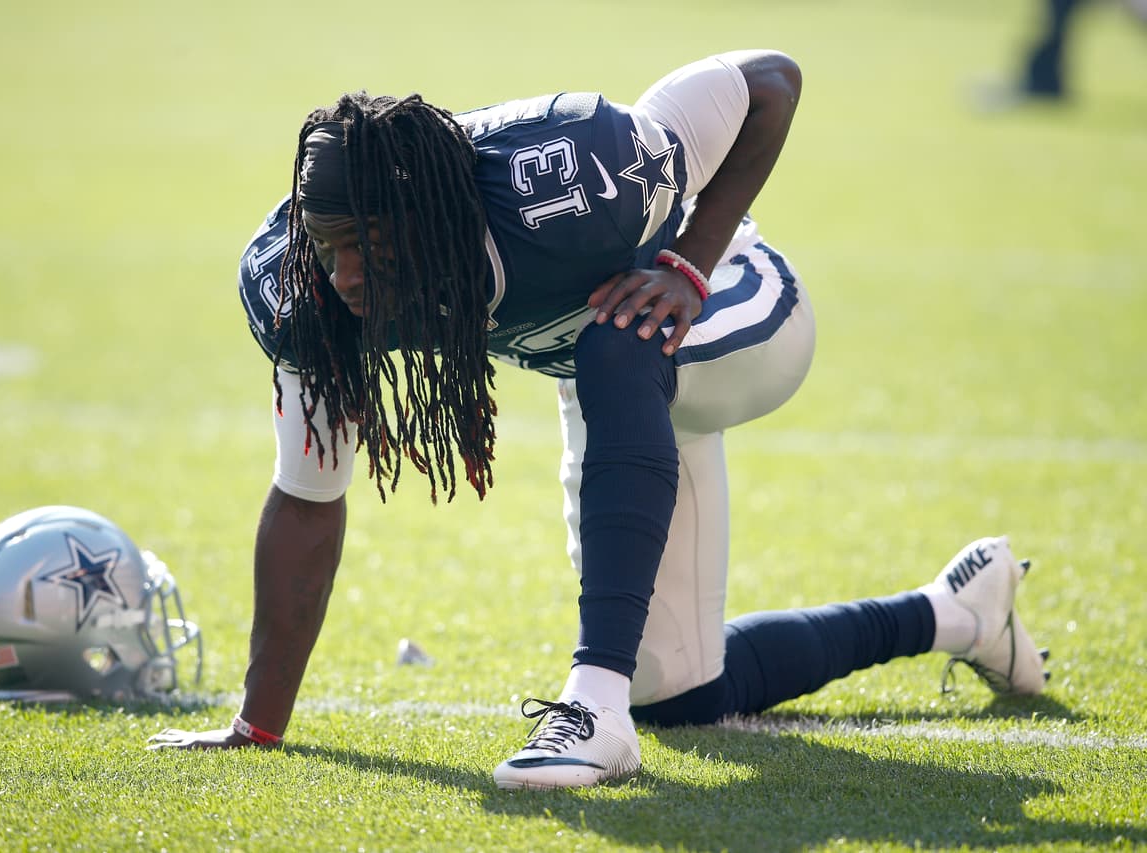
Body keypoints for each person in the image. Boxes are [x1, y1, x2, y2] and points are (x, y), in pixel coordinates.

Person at [148, 51, 1049, 789]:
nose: (345, 273)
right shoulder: (300, 291)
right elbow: (307, 500)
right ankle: (956, 614)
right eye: (331, 242)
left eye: (370, 245)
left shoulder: (569, 173)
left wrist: (690, 264)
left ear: (438, 218)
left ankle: (593, 707)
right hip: (623, 385)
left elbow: (771, 81)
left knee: (614, 345)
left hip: (732, 309)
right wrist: (256, 725)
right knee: (683, 691)